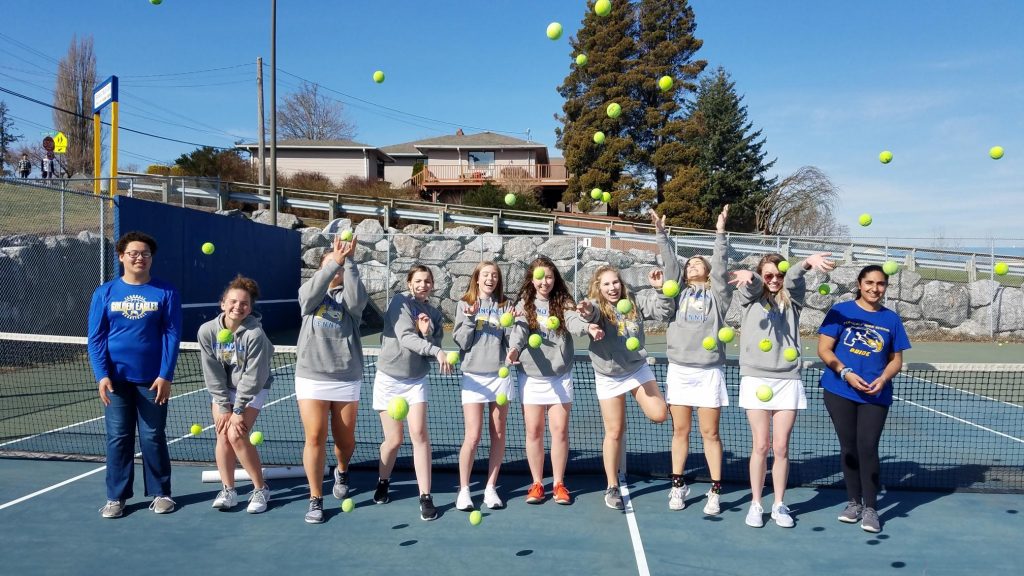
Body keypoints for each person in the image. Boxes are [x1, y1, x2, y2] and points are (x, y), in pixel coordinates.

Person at [730, 251, 835, 528]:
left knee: (781, 447)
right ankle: (755, 504)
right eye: (769, 275)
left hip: (788, 379)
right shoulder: (749, 298)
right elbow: (751, 286)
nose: (775, 279)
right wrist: (751, 277)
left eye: (779, 274)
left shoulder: (793, 300)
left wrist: (805, 263)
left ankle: (778, 504)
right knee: (761, 445)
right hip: (755, 378)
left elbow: (797, 278)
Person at [87, 231, 181, 518]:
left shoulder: (166, 292)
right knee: (118, 437)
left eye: (145, 254)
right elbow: (96, 338)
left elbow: (172, 335)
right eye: (133, 253)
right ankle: (116, 498)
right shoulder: (104, 293)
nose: (139, 258)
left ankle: (161, 493)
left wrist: (165, 375)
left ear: (151, 258)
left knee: (153, 436)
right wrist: (102, 374)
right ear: (121, 257)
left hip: (152, 381)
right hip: (115, 382)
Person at [651, 206, 734, 514]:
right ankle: (678, 485)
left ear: (708, 271)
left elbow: (722, 266)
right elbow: (671, 264)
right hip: (680, 371)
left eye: (699, 263)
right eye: (690, 264)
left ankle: (714, 491)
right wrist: (661, 233)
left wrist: (720, 232)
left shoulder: (719, 296)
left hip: (709, 371)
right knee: (680, 431)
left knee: (710, 433)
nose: (692, 266)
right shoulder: (676, 294)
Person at [817, 265, 910, 534]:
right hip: (839, 389)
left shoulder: (891, 319)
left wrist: (882, 379)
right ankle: (853, 503)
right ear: (859, 284)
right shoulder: (841, 311)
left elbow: (896, 360)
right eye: (869, 282)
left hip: (875, 393)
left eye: (880, 284)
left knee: (867, 446)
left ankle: (871, 508)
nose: (874, 288)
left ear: (885, 287)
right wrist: (845, 372)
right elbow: (824, 349)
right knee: (848, 447)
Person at [577, 265, 670, 510]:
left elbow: (663, 311)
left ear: (621, 283)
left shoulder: (635, 301)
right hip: (608, 374)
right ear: (599, 287)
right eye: (606, 284)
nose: (612, 287)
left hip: (636, 368)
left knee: (660, 414)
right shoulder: (596, 306)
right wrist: (587, 313)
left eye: (615, 282)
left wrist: (660, 290)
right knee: (614, 431)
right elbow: (590, 314)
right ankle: (611, 485)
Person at [295, 234, 367, 523]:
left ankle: (342, 469)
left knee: (345, 440)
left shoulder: (349, 302)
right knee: (314, 436)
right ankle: (315, 498)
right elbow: (307, 296)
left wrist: (348, 261)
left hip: (346, 376)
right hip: (311, 375)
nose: (336, 268)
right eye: (331, 264)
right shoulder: (310, 297)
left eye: (339, 266)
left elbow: (357, 299)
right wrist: (333, 260)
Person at [508, 256, 589, 506]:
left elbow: (575, 323)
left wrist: (587, 326)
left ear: (555, 279)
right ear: (532, 280)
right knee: (533, 432)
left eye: (549, 277)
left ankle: (558, 484)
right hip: (531, 377)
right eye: (540, 277)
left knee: (560, 432)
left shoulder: (564, 302)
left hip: (559, 376)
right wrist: (513, 349)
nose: (545, 282)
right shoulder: (525, 304)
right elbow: (520, 331)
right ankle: (536, 483)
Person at [373, 265, 452, 521]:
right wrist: (433, 348)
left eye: (427, 281)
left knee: (419, 434)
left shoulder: (434, 314)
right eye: (418, 281)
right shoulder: (400, 302)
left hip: (415, 380)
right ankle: (383, 480)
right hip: (389, 378)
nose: (423, 285)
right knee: (393, 440)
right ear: (409, 283)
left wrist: (429, 334)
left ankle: (425, 497)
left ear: (432, 285)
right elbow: (406, 337)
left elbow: (434, 342)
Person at [197, 275, 274, 514]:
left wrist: (238, 409)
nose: (237, 307)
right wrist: (223, 405)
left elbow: (254, 377)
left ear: (250, 308)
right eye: (232, 301)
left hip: (253, 388)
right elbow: (212, 372)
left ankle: (260, 489)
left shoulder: (255, 335)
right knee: (222, 434)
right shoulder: (208, 331)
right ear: (222, 304)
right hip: (224, 389)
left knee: (237, 435)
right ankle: (228, 490)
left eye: (244, 303)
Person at [452, 261, 515, 512]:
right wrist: (469, 318)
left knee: (498, 433)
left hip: (499, 376)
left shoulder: (505, 305)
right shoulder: (464, 304)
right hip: (474, 377)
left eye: (495, 275)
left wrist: (514, 345)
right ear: (477, 278)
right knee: (473, 435)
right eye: (486, 275)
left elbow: (511, 339)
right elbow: (462, 342)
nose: (490, 279)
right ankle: (464, 490)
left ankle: (490, 488)